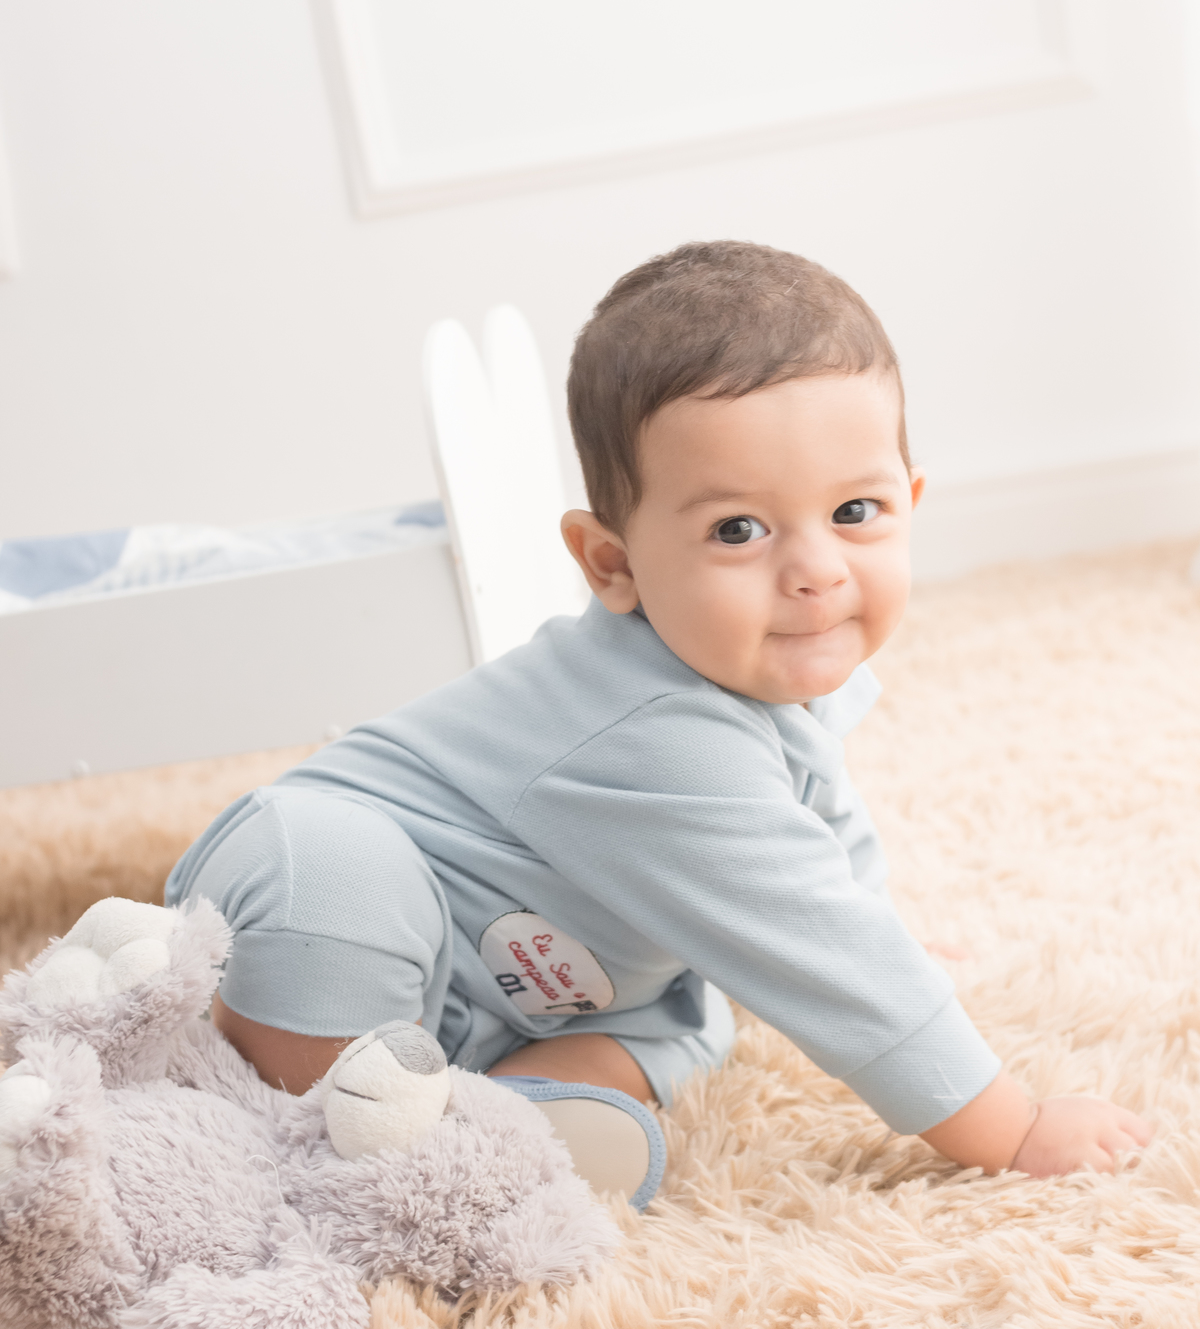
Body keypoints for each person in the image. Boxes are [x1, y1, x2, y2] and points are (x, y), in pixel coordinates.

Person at [167, 241, 1151, 1206]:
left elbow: (825, 852)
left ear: (912, 501)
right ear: (612, 565)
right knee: (333, 873)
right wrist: (1010, 1127)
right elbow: (832, 963)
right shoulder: (663, 734)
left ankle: (494, 1115)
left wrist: (881, 934)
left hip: (530, 995)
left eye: (857, 510)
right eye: (738, 531)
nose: (816, 568)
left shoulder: (778, 687)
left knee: (693, 1017)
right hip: (329, 906)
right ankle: (330, 1158)